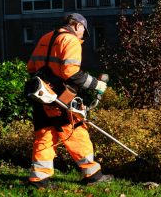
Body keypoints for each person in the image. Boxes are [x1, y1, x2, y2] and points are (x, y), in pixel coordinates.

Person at [26, 13, 114, 189]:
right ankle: (93, 175)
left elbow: (31, 67)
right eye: (84, 31)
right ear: (77, 26)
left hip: (41, 96)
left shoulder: (46, 37)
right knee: (76, 131)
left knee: (44, 135)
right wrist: (97, 85)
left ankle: (38, 181)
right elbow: (71, 73)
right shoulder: (71, 41)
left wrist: (46, 86)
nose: (83, 36)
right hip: (61, 97)